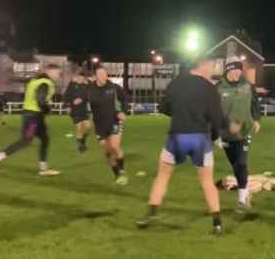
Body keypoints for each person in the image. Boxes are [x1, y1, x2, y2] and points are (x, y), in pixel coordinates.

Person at [137, 56, 228, 234]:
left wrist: (180, 114)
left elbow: (164, 107)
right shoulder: (209, 87)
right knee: (207, 181)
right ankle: (217, 223)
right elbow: (217, 119)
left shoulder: (176, 83)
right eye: (212, 66)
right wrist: (218, 133)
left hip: (177, 136)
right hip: (199, 138)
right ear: (202, 66)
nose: (213, 69)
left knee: (163, 176)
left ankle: (149, 215)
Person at [0, 64, 62, 176]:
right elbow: (40, 100)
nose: (59, 76)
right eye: (57, 73)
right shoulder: (45, 83)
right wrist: (47, 109)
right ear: (50, 72)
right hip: (34, 118)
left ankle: (43, 169)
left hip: (34, 116)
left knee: (45, 139)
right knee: (26, 141)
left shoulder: (35, 80)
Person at [218, 55, 262, 213]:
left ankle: (242, 200)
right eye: (234, 70)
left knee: (241, 163)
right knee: (236, 166)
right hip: (227, 135)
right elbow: (213, 113)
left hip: (245, 132)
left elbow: (255, 103)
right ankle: (245, 191)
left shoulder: (247, 85)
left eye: (239, 70)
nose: (238, 73)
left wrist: (256, 120)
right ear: (227, 70)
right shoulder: (218, 88)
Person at [87, 66, 129, 185]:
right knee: (108, 152)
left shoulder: (114, 88)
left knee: (115, 146)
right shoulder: (90, 90)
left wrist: (123, 111)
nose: (103, 76)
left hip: (114, 121)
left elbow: (125, 99)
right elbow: (83, 102)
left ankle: (122, 170)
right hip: (99, 125)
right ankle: (117, 175)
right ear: (95, 76)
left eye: (105, 74)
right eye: (100, 74)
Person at [64, 72, 92, 153]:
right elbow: (66, 96)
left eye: (82, 78)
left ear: (84, 79)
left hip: (83, 109)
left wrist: (82, 99)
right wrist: (68, 105)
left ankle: (82, 141)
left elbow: (89, 94)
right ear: (76, 78)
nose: (80, 79)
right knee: (79, 127)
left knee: (88, 127)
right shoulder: (72, 85)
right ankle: (80, 146)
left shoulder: (86, 86)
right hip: (74, 110)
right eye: (79, 78)